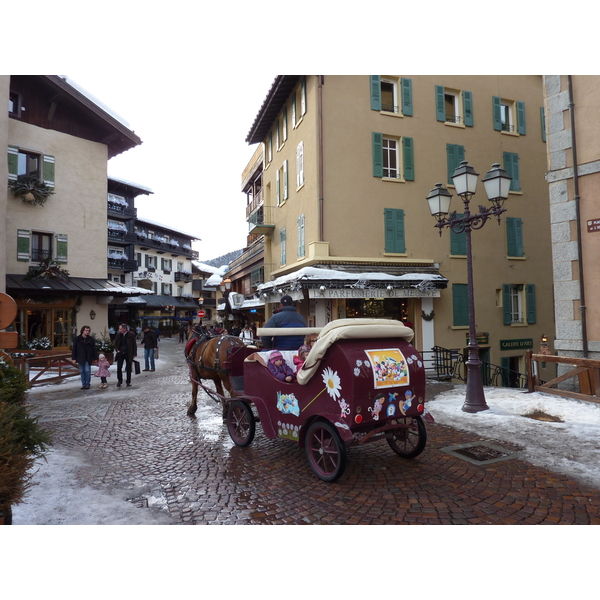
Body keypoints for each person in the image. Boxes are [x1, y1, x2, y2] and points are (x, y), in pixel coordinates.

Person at [71, 325, 97, 390]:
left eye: (88, 331)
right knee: (82, 371)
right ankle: (83, 384)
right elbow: (74, 349)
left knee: (87, 371)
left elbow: (93, 349)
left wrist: (95, 358)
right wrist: (73, 358)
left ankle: (87, 384)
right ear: (83, 331)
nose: (87, 332)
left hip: (88, 357)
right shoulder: (77, 339)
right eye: (86, 330)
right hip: (80, 357)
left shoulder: (90, 339)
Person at [114, 323, 137, 387]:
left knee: (128, 368)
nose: (120, 330)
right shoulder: (118, 335)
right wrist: (117, 349)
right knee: (119, 368)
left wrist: (134, 353)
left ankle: (128, 381)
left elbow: (134, 344)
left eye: (121, 329)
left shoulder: (131, 334)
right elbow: (115, 343)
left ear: (124, 329)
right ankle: (119, 380)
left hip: (128, 353)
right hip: (120, 353)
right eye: (119, 329)